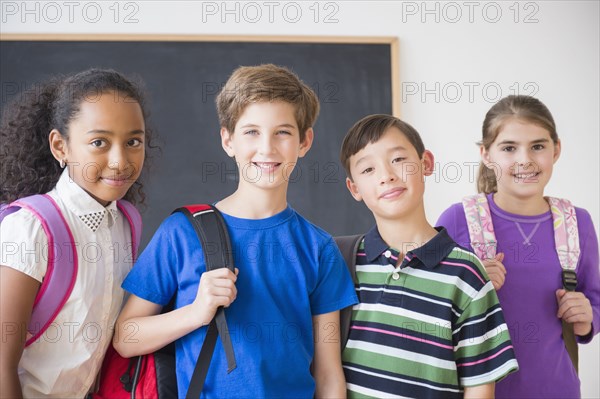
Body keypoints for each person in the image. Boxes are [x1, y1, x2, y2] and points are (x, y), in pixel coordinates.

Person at [114, 64, 358, 398]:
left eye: (283, 132)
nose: (267, 148)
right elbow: (126, 338)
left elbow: (329, 375)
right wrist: (196, 312)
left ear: (305, 141)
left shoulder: (319, 248)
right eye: (252, 132)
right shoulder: (181, 232)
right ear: (228, 140)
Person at [0, 68, 156, 398]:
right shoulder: (29, 228)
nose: (119, 161)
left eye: (133, 142)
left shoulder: (126, 222)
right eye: (99, 142)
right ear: (60, 146)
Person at [339, 114, 518, 398]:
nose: (387, 175)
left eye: (398, 159)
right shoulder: (341, 262)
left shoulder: (466, 273)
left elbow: (479, 387)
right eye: (368, 169)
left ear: (426, 164)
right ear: (354, 189)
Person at [437, 95, 599, 398]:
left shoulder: (578, 223)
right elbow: (428, 307)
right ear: (486, 154)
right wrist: (471, 284)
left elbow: (594, 300)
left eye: (538, 146)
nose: (525, 159)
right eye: (509, 148)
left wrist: (587, 317)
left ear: (556, 149)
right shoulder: (457, 220)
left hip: (558, 391)